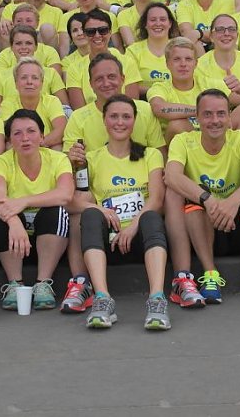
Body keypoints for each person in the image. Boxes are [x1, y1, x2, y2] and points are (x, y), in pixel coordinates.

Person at [164, 89, 240, 305]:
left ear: (229, 117)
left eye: (221, 114)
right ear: (196, 117)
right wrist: (209, 199)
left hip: (237, 225)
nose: (215, 120)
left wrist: (232, 202)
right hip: (202, 227)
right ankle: (210, 275)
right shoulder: (183, 141)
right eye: (207, 114)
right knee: (186, 191)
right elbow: (171, 176)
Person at [71, 95, 171, 330]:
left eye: (126, 117)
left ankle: (157, 299)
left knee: (151, 216)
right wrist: (99, 208)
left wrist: (133, 225)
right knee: (90, 215)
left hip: (141, 239)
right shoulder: (91, 159)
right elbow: (73, 201)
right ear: (104, 120)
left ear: (134, 121)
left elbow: (157, 199)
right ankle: (102, 298)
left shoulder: (151, 155)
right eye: (113, 116)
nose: (120, 122)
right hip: (107, 241)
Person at [0, 110, 73, 310]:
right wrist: (14, 221)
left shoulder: (58, 159)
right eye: (17, 133)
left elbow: (65, 194)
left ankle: (43, 283)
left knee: (56, 211)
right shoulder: (3, 161)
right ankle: (14, 283)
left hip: (49, 240)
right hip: (15, 241)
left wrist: (25, 201)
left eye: (31, 131)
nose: (25, 138)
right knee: (2, 217)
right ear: (9, 140)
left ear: (42, 136)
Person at [0, 58, 67, 149]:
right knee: (8, 146)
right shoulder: (8, 104)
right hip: (20, 149)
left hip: (47, 146)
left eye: (35, 78)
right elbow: (8, 136)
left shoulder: (52, 101)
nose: (29, 82)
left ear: (42, 83)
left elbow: (61, 130)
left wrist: (35, 145)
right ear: (16, 83)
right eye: (24, 77)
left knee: (57, 146)